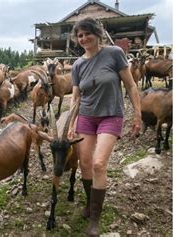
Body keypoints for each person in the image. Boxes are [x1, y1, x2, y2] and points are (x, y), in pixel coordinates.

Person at [67, 17, 141, 237]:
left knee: (99, 163)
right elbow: (75, 97)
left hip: (111, 115)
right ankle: (90, 203)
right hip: (86, 117)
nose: (83, 38)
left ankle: (95, 219)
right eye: (79, 35)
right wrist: (71, 123)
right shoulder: (78, 65)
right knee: (85, 163)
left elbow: (130, 85)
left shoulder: (114, 53)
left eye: (87, 33)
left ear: (97, 33)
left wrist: (137, 114)